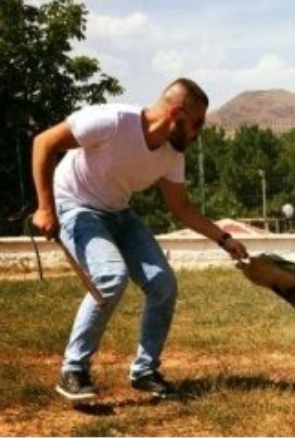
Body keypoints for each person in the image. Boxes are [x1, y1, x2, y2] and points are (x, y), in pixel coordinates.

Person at [31, 78, 250, 400]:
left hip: (118, 211)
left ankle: (145, 372)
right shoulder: (111, 121)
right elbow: (44, 142)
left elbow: (182, 208)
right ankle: (73, 370)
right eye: (197, 123)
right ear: (176, 113)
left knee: (162, 283)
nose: (198, 133)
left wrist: (224, 239)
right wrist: (45, 208)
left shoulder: (172, 155)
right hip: (75, 205)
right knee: (111, 276)